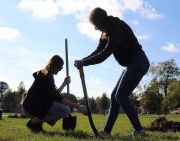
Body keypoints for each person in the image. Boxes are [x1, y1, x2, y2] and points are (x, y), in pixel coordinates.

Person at [74, 7, 150, 137]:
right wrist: (83, 60)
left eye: (95, 25)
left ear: (99, 21)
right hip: (131, 64)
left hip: (139, 62)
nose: (95, 28)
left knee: (120, 95)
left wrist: (85, 63)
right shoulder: (106, 32)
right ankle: (106, 132)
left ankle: (140, 131)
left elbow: (104, 55)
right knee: (115, 97)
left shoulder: (116, 27)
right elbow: (98, 50)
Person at [22, 55, 87, 132]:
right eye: (59, 68)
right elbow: (57, 97)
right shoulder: (45, 76)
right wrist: (77, 106)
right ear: (52, 65)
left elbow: (53, 95)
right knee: (65, 110)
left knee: (65, 109)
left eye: (61, 68)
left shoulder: (47, 75)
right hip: (31, 107)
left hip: (38, 105)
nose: (59, 70)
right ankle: (35, 122)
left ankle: (37, 124)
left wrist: (64, 83)